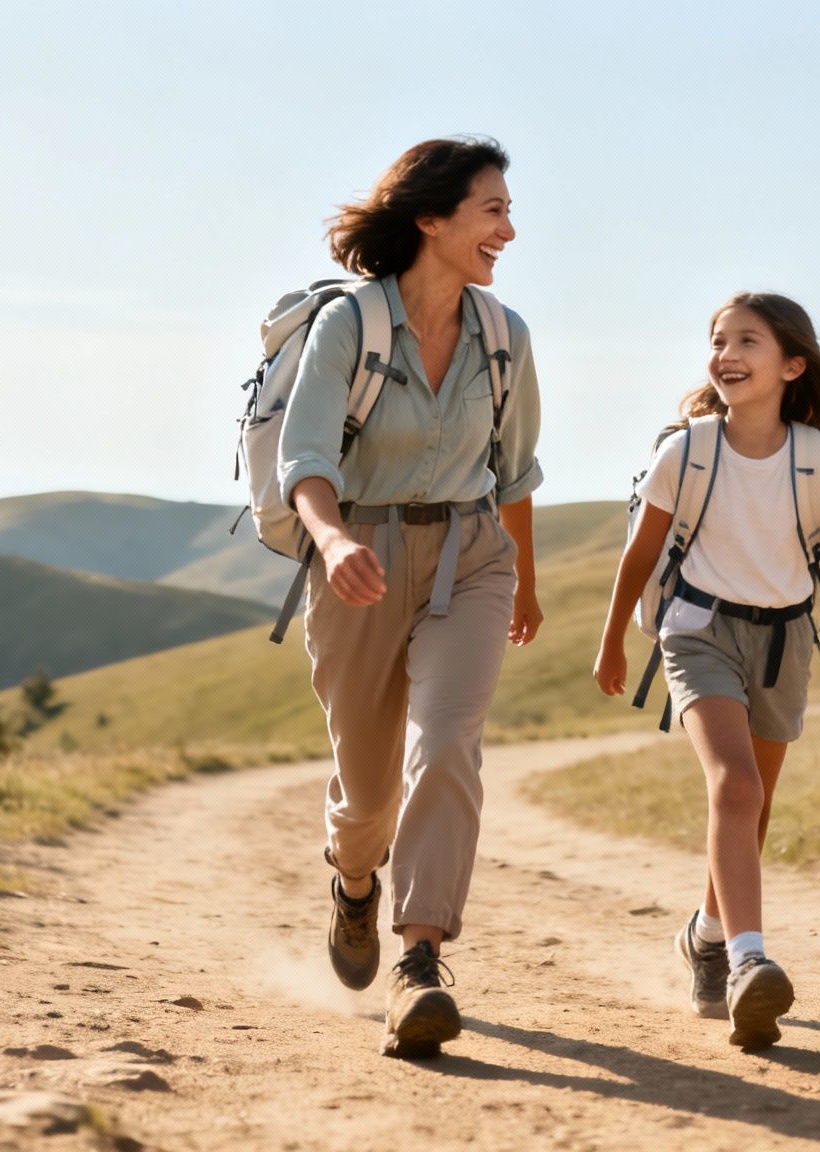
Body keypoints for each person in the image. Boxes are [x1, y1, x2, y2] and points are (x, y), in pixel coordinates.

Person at [592, 292, 820, 1050]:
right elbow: (640, 554)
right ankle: (748, 962)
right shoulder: (687, 450)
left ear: (792, 365)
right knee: (734, 787)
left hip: (785, 639)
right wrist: (612, 640)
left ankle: (707, 934)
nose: (726, 354)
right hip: (697, 629)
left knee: (756, 806)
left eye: (747, 341)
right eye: (717, 340)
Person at [277, 137, 543, 1058]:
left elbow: (516, 473)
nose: (509, 229)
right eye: (493, 210)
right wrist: (336, 538)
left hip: (471, 557)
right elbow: (304, 461)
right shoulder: (351, 324)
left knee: (448, 747)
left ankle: (419, 960)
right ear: (431, 218)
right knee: (369, 792)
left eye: (507, 211)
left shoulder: (505, 336)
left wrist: (526, 584)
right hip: (360, 557)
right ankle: (355, 881)